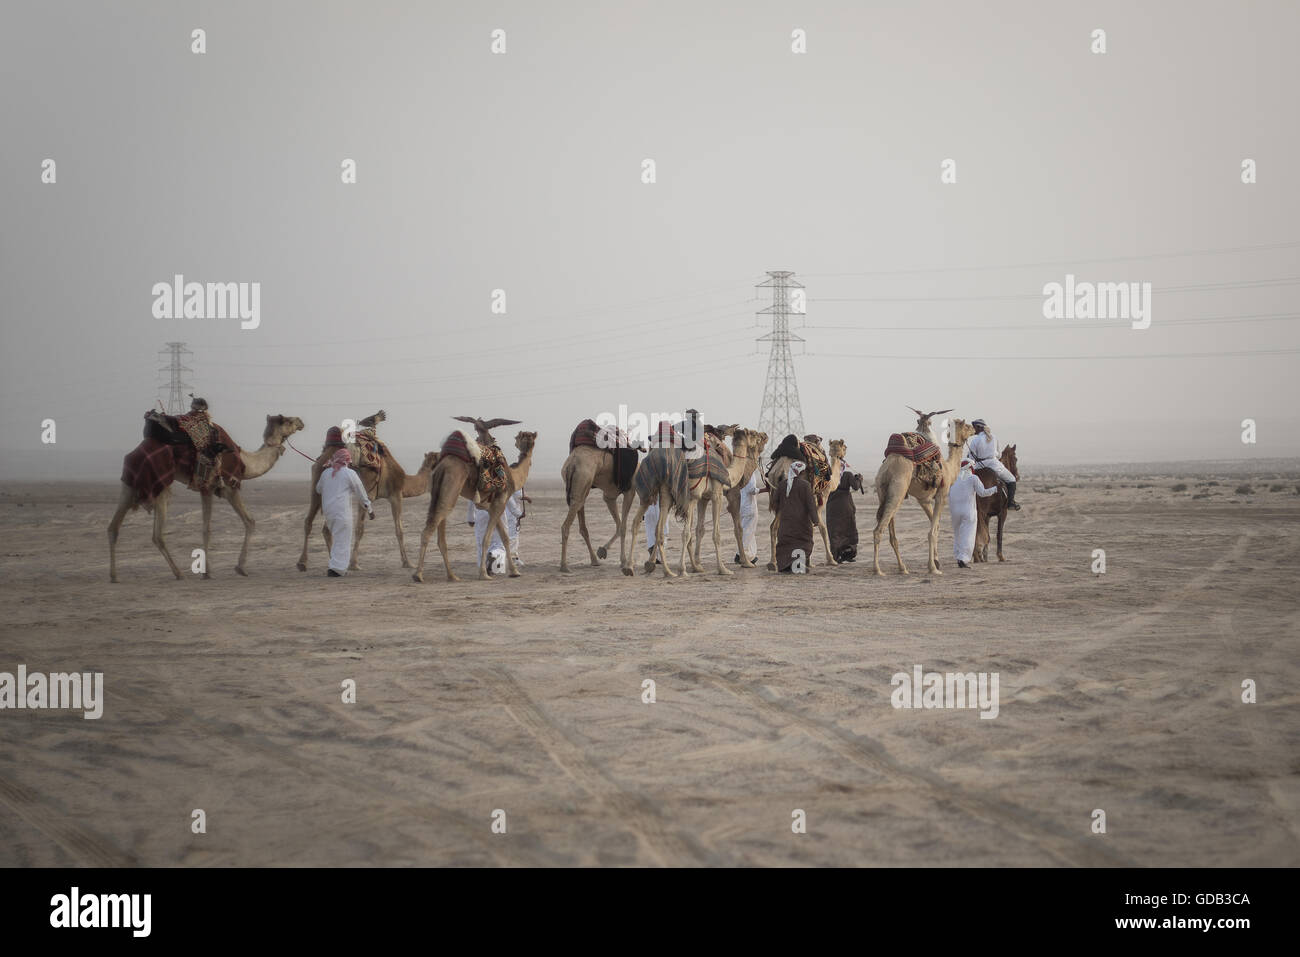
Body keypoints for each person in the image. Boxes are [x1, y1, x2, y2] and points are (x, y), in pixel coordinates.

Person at [315, 448, 373, 577]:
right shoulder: (349, 473)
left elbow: (318, 489)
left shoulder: (326, 473)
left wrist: (328, 474)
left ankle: (335, 566)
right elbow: (360, 492)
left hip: (329, 513)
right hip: (342, 512)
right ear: (347, 460)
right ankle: (337, 569)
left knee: (338, 539)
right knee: (343, 540)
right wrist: (369, 508)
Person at [948, 458, 999, 568]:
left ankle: (958, 556)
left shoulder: (954, 479)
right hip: (968, 511)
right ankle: (963, 559)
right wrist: (995, 489)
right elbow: (982, 493)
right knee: (968, 535)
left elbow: (949, 494)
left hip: (955, 512)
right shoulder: (973, 478)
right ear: (971, 467)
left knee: (958, 535)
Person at [772, 461, 819, 573]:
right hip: (802, 523)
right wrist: (815, 520)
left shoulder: (782, 484)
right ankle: (798, 565)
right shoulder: (806, 485)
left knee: (786, 543)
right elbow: (811, 505)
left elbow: (774, 501)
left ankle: (785, 565)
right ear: (802, 473)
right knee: (803, 542)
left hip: (786, 522)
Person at [466, 488, 525, 574]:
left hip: (481, 514)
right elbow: (508, 498)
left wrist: (470, 518)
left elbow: (471, 499)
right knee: (500, 543)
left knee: (481, 542)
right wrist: (518, 513)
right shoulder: (500, 480)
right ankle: (494, 555)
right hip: (498, 512)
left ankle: (485, 566)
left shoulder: (478, 482)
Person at [965, 419, 1019, 510]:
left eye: (974, 428)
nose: (973, 430)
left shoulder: (975, 440)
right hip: (994, 465)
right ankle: (1010, 503)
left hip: (978, 465)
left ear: (979, 427)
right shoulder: (994, 437)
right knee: (1012, 479)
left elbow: (971, 458)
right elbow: (999, 455)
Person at [735, 466, 765, 564]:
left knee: (748, 531)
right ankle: (741, 555)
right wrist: (765, 490)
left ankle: (751, 556)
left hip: (741, 505)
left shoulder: (739, 472)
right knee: (748, 532)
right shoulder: (749, 474)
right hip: (749, 506)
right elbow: (752, 490)